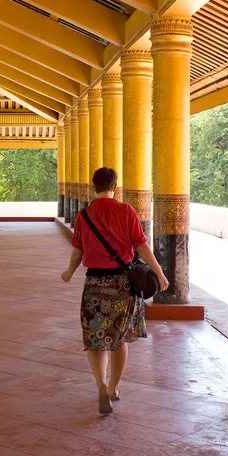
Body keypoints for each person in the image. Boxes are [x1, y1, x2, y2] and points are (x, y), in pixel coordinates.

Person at [61, 166, 169, 415]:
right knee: (119, 339)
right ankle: (113, 388)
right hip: (123, 285)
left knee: (95, 339)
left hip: (95, 284)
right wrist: (160, 273)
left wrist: (69, 272)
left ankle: (99, 384)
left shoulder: (84, 215)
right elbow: (141, 246)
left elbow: (77, 252)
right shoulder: (126, 211)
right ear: (115, 188)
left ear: (93, 186)